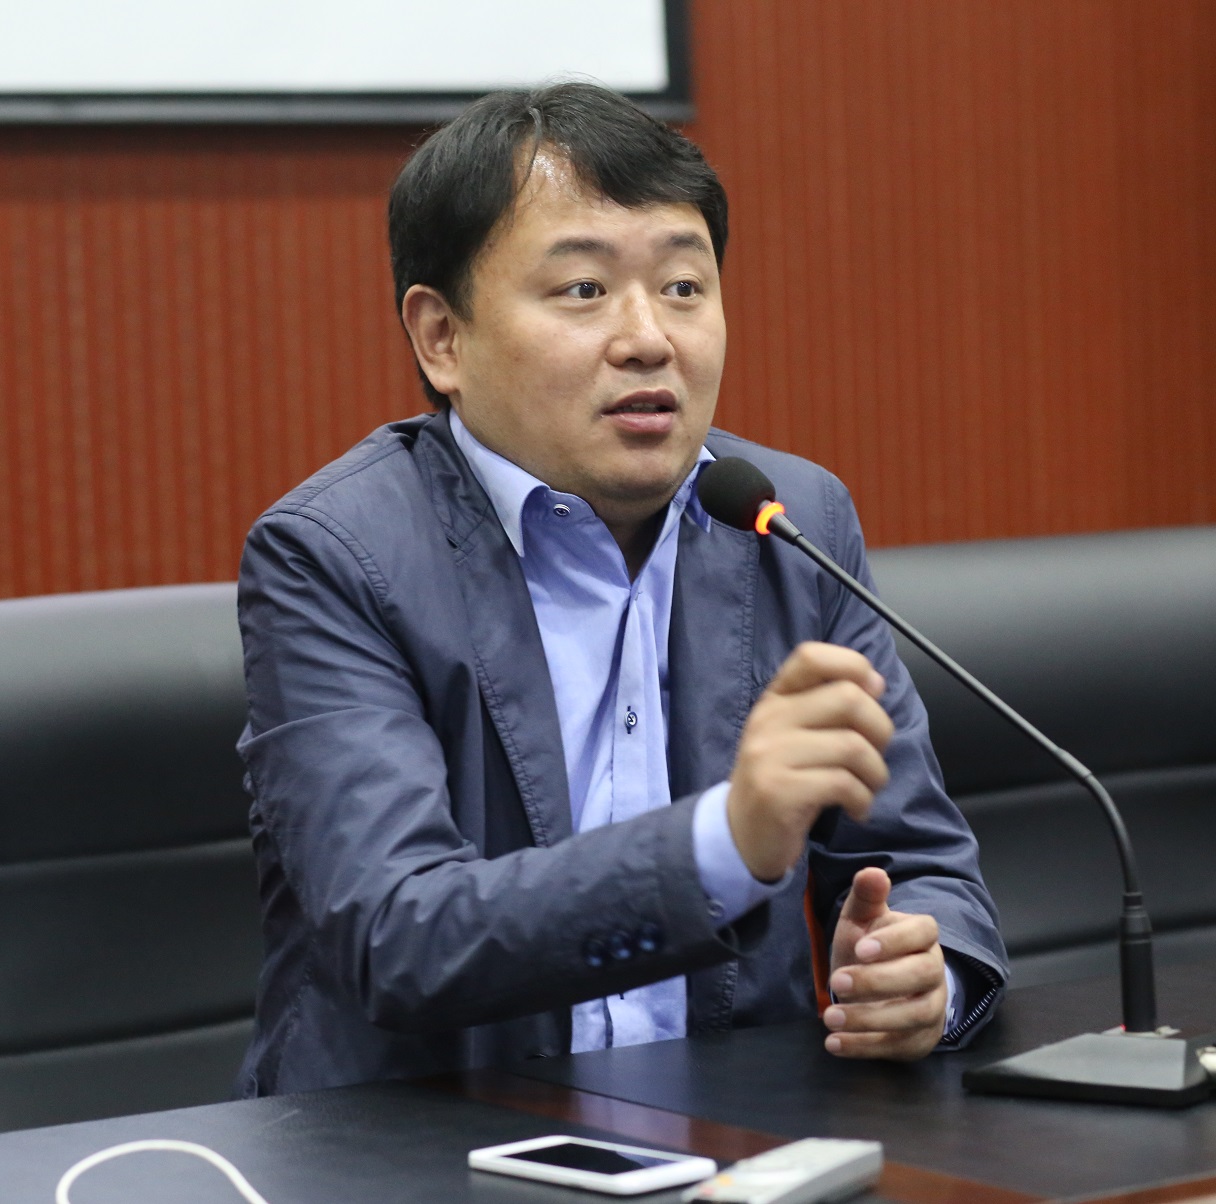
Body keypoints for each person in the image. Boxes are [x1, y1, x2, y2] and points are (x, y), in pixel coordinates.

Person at [236, 82, 1007, 1096]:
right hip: (428, 1142)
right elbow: (397, 933)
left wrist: (925, 976)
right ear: (441, 338)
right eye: (583, 290)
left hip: (736, 1134)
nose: (650, 338)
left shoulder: (790, 521)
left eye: (684, 286)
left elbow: (918, 857)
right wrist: (724, 844)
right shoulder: (336, 556)